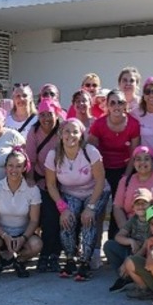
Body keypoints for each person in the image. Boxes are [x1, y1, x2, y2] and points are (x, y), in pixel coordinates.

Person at [45, 118, 109, 281]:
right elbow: (51, 185)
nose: (70, 135)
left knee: (88, 220)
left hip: (94, 191)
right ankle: (69, 258)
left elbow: (100, 181)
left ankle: (85, 262)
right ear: (60, 134)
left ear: (81, 135)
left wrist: (91, 207)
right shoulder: (53, 155)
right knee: (67, 220)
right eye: (66, 131)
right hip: (70, 193)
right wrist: (62, 208)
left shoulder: (90, 152)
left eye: (75, 131)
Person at [105, 145, 153, 272]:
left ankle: (134, 270)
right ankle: (130, 272)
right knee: (110, 247)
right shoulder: (126, 181)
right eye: (138, 159)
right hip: (134, 231)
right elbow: (117, 206)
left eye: (146, 159)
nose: (142, 162)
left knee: (151, 252)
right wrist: (128, 229)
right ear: (133, 162)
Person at [87, 89, 141, 240]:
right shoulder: (99, 124)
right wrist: (98, 175)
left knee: (120, 208)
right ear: (108, 106)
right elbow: (90, 150)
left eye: (120, 102)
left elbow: (134, 153)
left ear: (125, 105)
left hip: (124, 168)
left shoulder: (133, 124)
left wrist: (127, 176)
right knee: (99, 208)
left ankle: (114, 242)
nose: (117, 106)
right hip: (102, 170)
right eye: (113, 103)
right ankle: (95, 248)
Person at [0, 148, 42, 279]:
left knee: (36, 244)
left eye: (18, 166)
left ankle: (20, 261)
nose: (14, 170)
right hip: (1, 233)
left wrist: (24, 238)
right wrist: (5, 236)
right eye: (10, 165)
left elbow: (34, 220)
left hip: (23, 233)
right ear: (5, 167)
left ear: (24, 168)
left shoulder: (33, 190)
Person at [24, 99, 62, 272]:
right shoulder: (34, 131)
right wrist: (31, 179)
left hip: (64, 182)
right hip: (43, 181)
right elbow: (30, 159)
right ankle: (46, 253)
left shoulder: (63, 129)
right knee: (48, 217)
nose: (46, 118)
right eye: (42, 114)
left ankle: (56, 253)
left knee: (60, 218)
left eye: (50, 114)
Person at [108, 188, 152, 293]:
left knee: (133, 258)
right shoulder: (134, 219)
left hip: (147, 252)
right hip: (134, 249)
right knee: (109, 245)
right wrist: (131, 241)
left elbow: (148, 243)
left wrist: (128, 260)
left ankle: (140, 280)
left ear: (151, 204)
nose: (141, 206)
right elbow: (119, 236)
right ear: (133, 207)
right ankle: (125, 277)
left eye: (144, 203)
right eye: (137, 203)